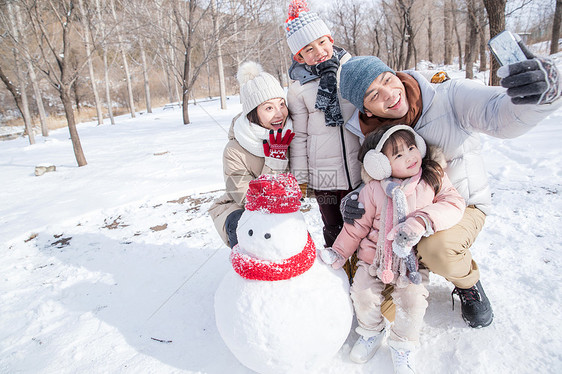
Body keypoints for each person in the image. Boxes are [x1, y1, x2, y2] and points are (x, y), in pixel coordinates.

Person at [337, 48, 561, 329]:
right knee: (383, 283)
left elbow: (500, 114)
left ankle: (468, 283)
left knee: (437, 249)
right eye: (373, 95)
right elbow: (376, 179)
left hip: (460, 205)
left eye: (386, 79)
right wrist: (357, 197)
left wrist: (542, 96)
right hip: (405, 217)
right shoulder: (369, 133)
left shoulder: (449, 96)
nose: (389, 93)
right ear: (366, 108)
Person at [321, 125, 465, 373]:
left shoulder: (431, 178)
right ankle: (371, 332)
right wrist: (340, 251)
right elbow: (356, 227)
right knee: (363, 294)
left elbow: (454, 202)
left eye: (411, 148)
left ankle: (402, 345)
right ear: (381, 165)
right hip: (373, 258)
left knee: (413, 301)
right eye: (398, 155)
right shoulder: (373, 189)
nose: (410, 156)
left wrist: (422, 220)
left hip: (410, 261)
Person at [284, 0, 362, 278]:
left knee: (363, 224)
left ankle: (368, 275)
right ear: (299, 57)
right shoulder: (298, 89)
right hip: (324, 175)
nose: (318, 52)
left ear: (330, 39)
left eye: (321, 42)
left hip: (359, 168)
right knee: (333, 226)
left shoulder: (353, 70)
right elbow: (300, 136)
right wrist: (302, 177)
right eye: (308, 49)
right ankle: (341, 277)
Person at [209, 61, 294, 248]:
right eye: (269, 108)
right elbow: (250, 199)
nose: (279, 114)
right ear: (252, 113)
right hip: (238, 211)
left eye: (281, 104)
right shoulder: (233, 151)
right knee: (255, 230)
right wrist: (275, 159)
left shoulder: (289, 133)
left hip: (278, 209)